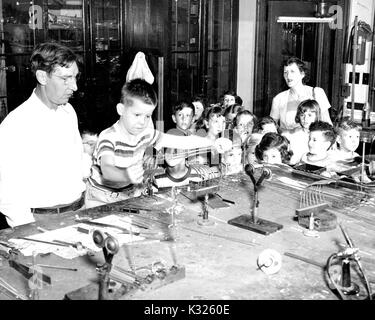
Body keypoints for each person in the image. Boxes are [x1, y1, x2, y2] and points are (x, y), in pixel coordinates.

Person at [85, 79, 231, 208]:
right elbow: (107, 169)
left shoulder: (145, 133)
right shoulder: (109, 137)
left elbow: (181, 141)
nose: (142, 122)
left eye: (147, 116)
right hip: (101, 198)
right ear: (121, 110)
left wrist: (210, 142)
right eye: (137, 115)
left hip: (128, 193)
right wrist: (126, 174)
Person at [0, 42, 86, 228]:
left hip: (79, 211)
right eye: (66, 79)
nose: (75, 86)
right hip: (42, 222)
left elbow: (76, 162)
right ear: (42, 77)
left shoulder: (68, 111)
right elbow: (7, 194)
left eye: (75, 77)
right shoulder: (15, 125)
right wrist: (29, 233)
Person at [270, 57, 332, 131]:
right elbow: (271, 127)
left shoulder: (317, 93)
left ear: (302, 74)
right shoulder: (279, 99)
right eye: (285, 72)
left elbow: (328, 124)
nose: (288, 76)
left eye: (292, 71)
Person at [283, 99, 321, 165]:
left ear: (316, 116)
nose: (305, 119)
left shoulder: (321, 135)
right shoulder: (291, 134)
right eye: (302, 115)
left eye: (309, 115)